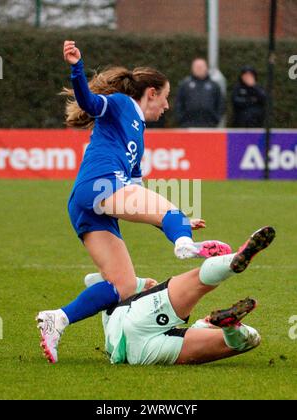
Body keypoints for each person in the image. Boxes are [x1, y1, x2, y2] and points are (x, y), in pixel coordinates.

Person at [35, 41, 232, 363]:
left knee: (123, 286)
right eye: (165, 98)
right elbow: (86, 100)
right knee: (173, 210)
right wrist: (76, 66)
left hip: (87, 203)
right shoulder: (120, 104)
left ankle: (57, 318)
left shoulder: (138, 139)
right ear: (151, 92)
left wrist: (166, 221)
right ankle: (186, 245)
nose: (167, 107)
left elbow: (136, 200)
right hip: (99, 186)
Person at [38, 226, 275, 365]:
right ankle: (229, 313)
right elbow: (97, 282)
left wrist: (139, 284)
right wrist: (141, 284)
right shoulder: (123, 289)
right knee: (247, 339)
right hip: (139, 343)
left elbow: (94, 281)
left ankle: (230, 270)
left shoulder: (119, 290)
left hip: (137, 347)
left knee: (201, 285)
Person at [175, 58, 225, 128]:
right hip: (188, 125)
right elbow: (178, 103)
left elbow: (220, 103)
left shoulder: (214, 85)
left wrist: (216, 119)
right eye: (196, 67)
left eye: (201, 66)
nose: (199, 69)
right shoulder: (185, 84)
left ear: (206, 68)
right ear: (192, 68)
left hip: (209, 125)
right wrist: (181, 118)